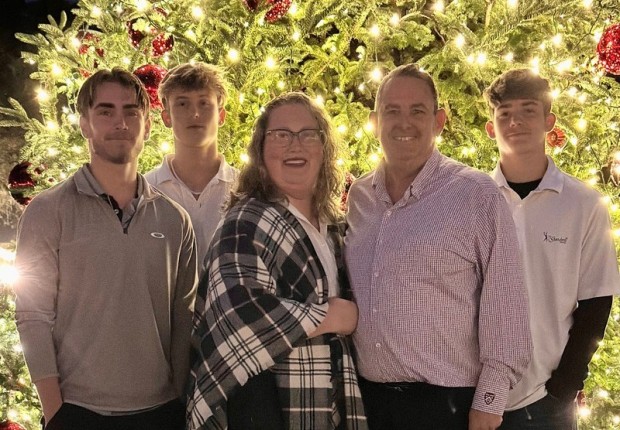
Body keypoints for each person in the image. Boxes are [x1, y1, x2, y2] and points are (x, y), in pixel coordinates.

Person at [344, 63, 532, 430]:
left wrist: (489, 403)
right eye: (392, 111)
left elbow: (506, 307)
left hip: (449, 408)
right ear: (374, 121)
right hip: (367, 404)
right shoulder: (360, 196)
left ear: (439, 121)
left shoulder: (475, 195)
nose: (404, 123)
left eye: (417, 111)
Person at [13, 68, 198, 430]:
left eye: (131, 111)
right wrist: (55, 411)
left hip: (161, 413)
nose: (120, 122)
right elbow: (33, 316)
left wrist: (178, 399)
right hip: (77, 413)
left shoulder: (175, 219)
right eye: (105, 111)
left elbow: (184, 319)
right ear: (84, 123)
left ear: (147, 126)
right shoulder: (48, 212)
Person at [187, 92, 368, 430]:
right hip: (262, 404)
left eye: (307, 134)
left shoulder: (334, 225)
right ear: (261, 150)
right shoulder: (245, 221)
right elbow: (236, 311)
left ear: (323, 148)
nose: (294, 145)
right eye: (281, 135)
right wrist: (329, 316)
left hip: (326, 400)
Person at [484, 68, 620, 429]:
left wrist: (565, 385)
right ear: (490, 128)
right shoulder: (473, 200)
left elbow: (596, 303)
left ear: (549, 122)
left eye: (528, 110)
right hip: (476, 397)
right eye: (505, 113)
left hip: (546, 403)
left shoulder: (584, 204)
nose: (516, 122)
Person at [145, 62, 238, 269]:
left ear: (221, 115)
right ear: (166, 117)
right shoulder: (145, 192)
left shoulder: (244, 190)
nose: (195, 113)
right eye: (182, 104)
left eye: (204, 103)